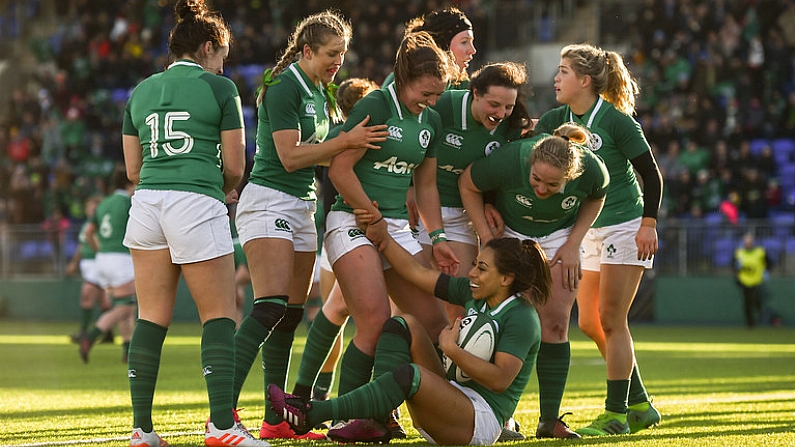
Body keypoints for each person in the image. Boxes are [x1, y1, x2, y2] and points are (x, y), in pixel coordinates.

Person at [231, 11, 388, 441]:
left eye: (343, 53)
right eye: (331, 54)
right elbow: (289, 156)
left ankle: (275, 418)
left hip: (303, 205)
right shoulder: (284, 85)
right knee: (268, 307)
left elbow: (320, 155)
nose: (338, 61)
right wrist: (346, 141)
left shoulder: (323, 89)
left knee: (289, 316)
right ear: (306, 51)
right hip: (268, 199)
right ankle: (221, 410)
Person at [268, 215, 551, 446]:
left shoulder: (522, 317)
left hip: (477, 423)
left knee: (410, 375)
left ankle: (310, 413)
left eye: (482, 268)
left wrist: (451, 349)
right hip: (448, 400)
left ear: (506, 278)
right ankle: (376, 421)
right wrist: (382, 237)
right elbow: (417, 274)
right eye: (475, 265)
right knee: (403, 324)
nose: (473, 273)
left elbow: (500, 380)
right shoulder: (473, 293)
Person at [120, 1, 267, 446]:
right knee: (219, 315)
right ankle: (223, 427)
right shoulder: (220, 89)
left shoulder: (140, 91)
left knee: (150, 319)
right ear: (208, 47)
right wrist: (221, 184)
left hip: (147, 203)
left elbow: (132, 169)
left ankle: (142, 430)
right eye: (221, 56)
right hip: (195, 201)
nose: (224, 66)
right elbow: (236, 168)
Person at [318, 31, 460, 442]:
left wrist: (436, 235)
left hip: (394, 226)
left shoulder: (430, 120)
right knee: (376, 320)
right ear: (404, 78)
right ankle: (350, 416)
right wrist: (370, 216)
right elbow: (340, 171)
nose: (432, 102)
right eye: (427, 92)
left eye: (438, 95)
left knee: (432, 322)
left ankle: (420, 410)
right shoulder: (377, 104)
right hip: (351, 220)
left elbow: (427, 185)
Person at [534, 43, 663, 436]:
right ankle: (640, 404)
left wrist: (648, 224)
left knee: (611, 318)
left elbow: (651, 176)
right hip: (587, 229)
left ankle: (616, 415)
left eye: (563, 72)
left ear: (585, 80)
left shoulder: (617, 121)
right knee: (589, 322)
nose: (556, 78)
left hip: (625, 225)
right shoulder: (555, 118)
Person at [459, 123, 610, 439]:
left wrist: (573, 243)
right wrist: (487, 238)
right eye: (536, 180)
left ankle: (550, 420)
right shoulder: (511, 159)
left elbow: (597, 197)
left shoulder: (592, 171)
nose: (541, 189)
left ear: (569, 179)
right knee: (500, 322)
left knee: (555, 324)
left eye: (552, 185)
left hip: (559, 238)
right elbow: (467, 183)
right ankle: (501, 417)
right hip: (509, 234)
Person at [292, 77, 381, 420]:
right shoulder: (352, 140)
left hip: (335, 235)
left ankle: (316, 392)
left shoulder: (335, 139)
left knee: (338, 312)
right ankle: (336, 401)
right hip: (353, 232)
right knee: (355, 314)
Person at [419, 62, 529, 321]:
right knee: (415, 301)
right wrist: (410, 189)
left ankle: (451, 360)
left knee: (460, 303)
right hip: (422, 211)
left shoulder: (512, 125)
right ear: (475, 93)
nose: (501, 113)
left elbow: (497, 173)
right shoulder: (444, 105)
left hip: (463, 215)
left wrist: (489, 202)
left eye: (508, 106)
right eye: (494, 104)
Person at [79, 170, 138, 365]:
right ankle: (91, 335)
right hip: (121, 258)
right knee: (126, 307)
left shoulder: (103, 203)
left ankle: (127, 351)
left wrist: (100, 252)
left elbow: (89, 233)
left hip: (103, 259)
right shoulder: (128, 202)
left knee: (125, 305)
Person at [383, 7, 476, 89]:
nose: (472, 50)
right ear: (441, 46)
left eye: (471, 42)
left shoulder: (464, 87)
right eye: (464, 42)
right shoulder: (401, 79)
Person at [66, 195, 113, 344]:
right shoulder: (87, 224)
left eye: (93, 207)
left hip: (96, 263)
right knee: (103, 301)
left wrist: (102, 256)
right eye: (89, 207)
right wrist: (74, 262)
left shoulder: (101, 223)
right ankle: (108, 333)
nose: (90, 210)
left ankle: (85, 332)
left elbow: (101, 241)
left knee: (87, 294)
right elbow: (82, 244)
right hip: (88, 263)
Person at [734, 232, 771, 328]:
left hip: (757, 281)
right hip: (744, 281)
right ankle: (750, 323)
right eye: (746, 241)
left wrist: (766, 271)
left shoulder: (760, 252)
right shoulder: (739, 253)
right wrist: (737, 272)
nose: (748, 243)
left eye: (750, 241)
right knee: (747, 303)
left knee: (756, 300)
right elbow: (734, 265)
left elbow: (769, 263)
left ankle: (762, 314)